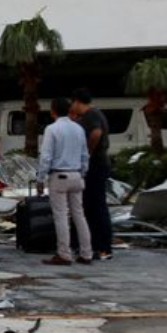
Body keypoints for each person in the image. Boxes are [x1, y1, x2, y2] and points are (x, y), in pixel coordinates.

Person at [37, 98, 93, 266]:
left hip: (59, 176)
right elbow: (85, 154)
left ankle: (64, 253)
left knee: (61, 216)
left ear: (53, 111)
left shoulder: (52, 129)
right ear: (69, 111)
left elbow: (46, 156)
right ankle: (86, 252)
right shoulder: (78, 128)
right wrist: (82, 172)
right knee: (79, 214)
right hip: (76, 175)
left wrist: (41, 178)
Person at [72, 88, 114, 260]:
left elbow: (96, 133)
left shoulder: (91, 115)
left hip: (96, 165)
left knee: (97, 206)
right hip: (96, 165)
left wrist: (87, 152)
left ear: (77, 101)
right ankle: (94, 245)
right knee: (89, 206)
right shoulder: (92, 115)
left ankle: (104, 246)